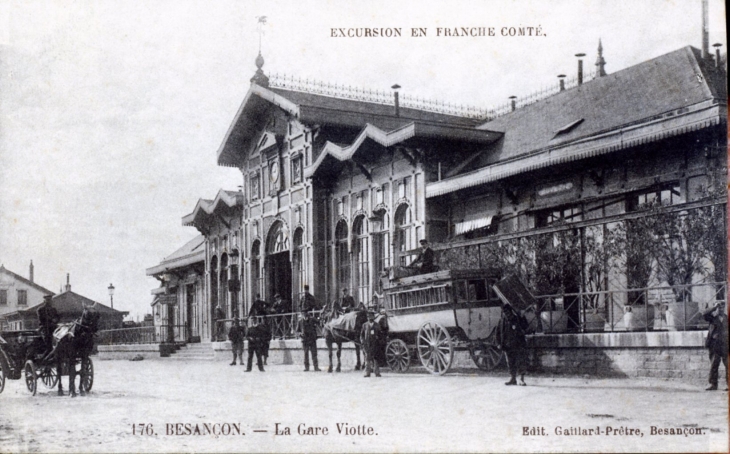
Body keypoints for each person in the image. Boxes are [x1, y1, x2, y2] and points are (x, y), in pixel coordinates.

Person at [496, 303, 529, 386]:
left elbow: (525, 326)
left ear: (511, 312)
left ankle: (521, 379)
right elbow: (497, 333)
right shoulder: (501, 321)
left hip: (518, 344)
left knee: (520, 361)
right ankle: (513, 378)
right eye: (504, 312)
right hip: (507, 345)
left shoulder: (517, 319)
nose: (506, 314)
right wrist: (498, 343)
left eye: (507, 312)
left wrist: (522, 316)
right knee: (510, 362)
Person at [702, 302, 728, 391]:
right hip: (714, 344)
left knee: (728, 364)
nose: (720, 309)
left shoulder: (727, 318)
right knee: (714, 364)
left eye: (722, 308)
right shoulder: (712, 318)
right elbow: (704, 313)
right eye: (719, 308)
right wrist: (713, 307)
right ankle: (713, 384)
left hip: (725, 344)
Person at [360, 311, 385, 377]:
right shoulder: (364, 325)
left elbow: (381, 335)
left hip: (375, 344)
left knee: (376, 358)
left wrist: (379, 339)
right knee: (367, 358)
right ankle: (367, 373)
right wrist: (363, 342)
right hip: (367, 344)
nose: (370, 318)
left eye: (371, 316)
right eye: (368, 317)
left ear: (373, 317)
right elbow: (361, 335)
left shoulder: (377, 325)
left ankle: (377, 372)